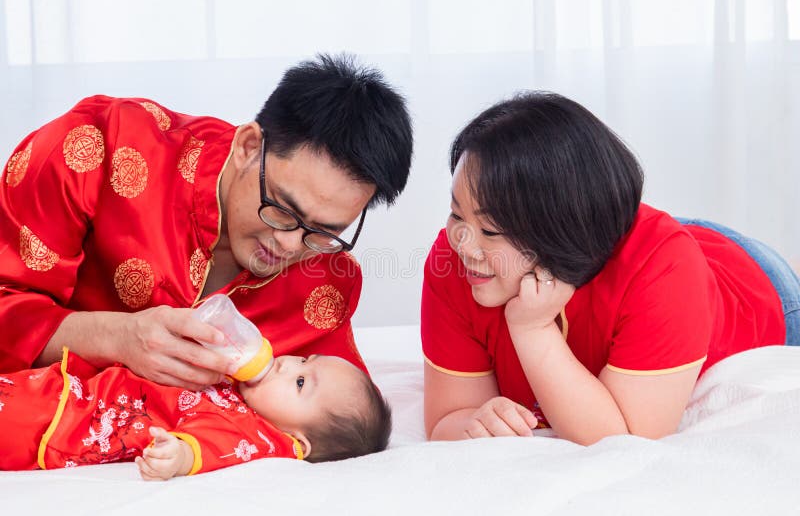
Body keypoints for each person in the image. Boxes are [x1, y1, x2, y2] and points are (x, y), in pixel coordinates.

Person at [0, 54, 413, 389]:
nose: (291, 246)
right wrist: (118, 338)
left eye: (326, 230)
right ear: (249, 146)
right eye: (284, 210)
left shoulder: (325, 281)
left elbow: (339, 413)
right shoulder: (94, 147)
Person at [422, 92, 800, 445]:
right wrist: (474, 423)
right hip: (646, 240)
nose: (464, 244)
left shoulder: (665, 268)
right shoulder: (456, 259)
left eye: (489, 230)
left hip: (754, 280)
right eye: (457, 214)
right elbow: (448, 418)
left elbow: (623, 438)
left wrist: (533, 329)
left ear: (557, 229)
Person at [0, 347, 391, 479]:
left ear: (300, 443)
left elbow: (214, 445)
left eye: (301, 383)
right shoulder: (248, 392)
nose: (288, 364)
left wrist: (181, 456)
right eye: (304, 359)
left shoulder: (261, 438)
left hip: (63, 425)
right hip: (74, 391)